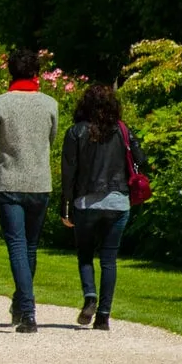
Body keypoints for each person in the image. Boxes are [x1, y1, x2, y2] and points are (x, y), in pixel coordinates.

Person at [0, 47, 62, 333]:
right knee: (30, 246)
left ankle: (29, 309)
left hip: (9, 183)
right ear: (37, 73)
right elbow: (51, 139)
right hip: (40, 183)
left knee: (17, 246)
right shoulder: (50, 104)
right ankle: (21, 304)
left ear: (9, 72)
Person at [60, 84, 141, 331]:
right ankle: (104, 316)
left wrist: (65, 205)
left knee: (85, 254)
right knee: (109, 259)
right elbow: (141, 159)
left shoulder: (76, 132)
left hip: (86, 201)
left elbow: (68, 171)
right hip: (118, 201)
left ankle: (90, 297)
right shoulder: (123, 131)